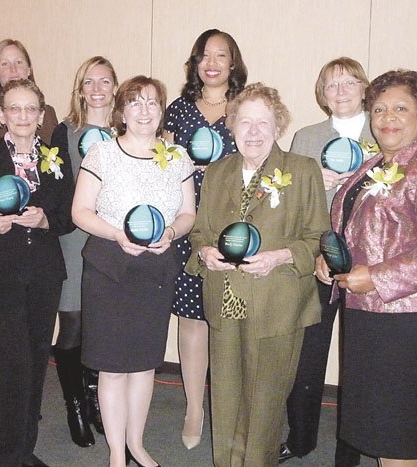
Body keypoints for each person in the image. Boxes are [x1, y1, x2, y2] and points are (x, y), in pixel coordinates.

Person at [316, 69, 417, 467]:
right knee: (382, 427)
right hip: (372, 316)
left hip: (416, 322)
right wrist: (331, 258)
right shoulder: (369, 166)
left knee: (401, 433)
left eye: (401, 108)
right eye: (380, 108)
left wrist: (377, 277)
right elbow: (353, 229)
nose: (388, 117)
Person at [185, 83, 329, 466]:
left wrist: (279, 256)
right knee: (227, 397)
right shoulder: (218, 172)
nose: (253, 132)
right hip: (225, 300)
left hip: (277, 304)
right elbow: (199, 231)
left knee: (264, 404)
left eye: (262, 122)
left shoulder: (301, 170)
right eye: (244, 122)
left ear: (277, 126)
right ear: (231, 126)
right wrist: (205, 253)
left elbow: (318, 237)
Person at [72, 76, 196, 467]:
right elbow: (80, 212)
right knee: (111, 368)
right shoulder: (101, 154)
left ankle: (136, 444)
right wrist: (116, 234)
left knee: (144, 365)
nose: (144, 110)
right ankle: (115, 453)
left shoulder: (177, 157)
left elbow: (188, 214)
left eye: (152, 103)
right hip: (109, 267)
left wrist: (173, 233)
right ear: (121, 111)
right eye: (136, 103)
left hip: (155, 270)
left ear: (162, 111)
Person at [0, 79, 74, 467]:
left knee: (36, 359)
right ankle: (9, 456)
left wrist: (47, 221)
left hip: (45, 272)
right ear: (1, 115)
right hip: (3, 273)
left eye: (31, 109)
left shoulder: (56, 160)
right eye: (15, 109)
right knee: (13, 364)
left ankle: (25, 449)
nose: (23, 116)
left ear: (42, 115)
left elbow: (68, 215)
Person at [280, 57, 373, 466]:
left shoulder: (384, 130)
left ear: (364, 87)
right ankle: (300, 439)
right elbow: (285, 203)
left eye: (349, 82)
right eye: (331, 84)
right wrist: (312, 184)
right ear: (322, 92)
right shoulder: (306, 137)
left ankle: (349, 453)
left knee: (360, 361)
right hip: (319, 259)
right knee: (306, 357)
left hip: (369, 267)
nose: (341, 91)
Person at [162, 28, 247, 450]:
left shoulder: (247, 108)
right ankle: (195, 406)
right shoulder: (177, 110)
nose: (212, 63)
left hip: (234, 228)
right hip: (188, 226)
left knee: (229, 323)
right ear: (195, 63)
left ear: (234, 63)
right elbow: (162, 167)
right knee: (194, 321)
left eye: (221, 55)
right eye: (204, 55)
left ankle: (228, 407)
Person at [50, 56, 119, 448]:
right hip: (75, 239)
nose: (97, 89)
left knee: (101, 326)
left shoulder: (128, 129)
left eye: (105, 81)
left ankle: (95, 398)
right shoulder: (65, 130)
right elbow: (58, 189)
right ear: (80, 89)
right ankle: (75, 402)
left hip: (115, 242)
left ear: (114, 87)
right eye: (89, 81)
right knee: (74, 324)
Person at [0, 38, 58, 144]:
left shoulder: (48, 114)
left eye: (19, 62)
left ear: (29, 69)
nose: (13, 69)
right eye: (5, 64)